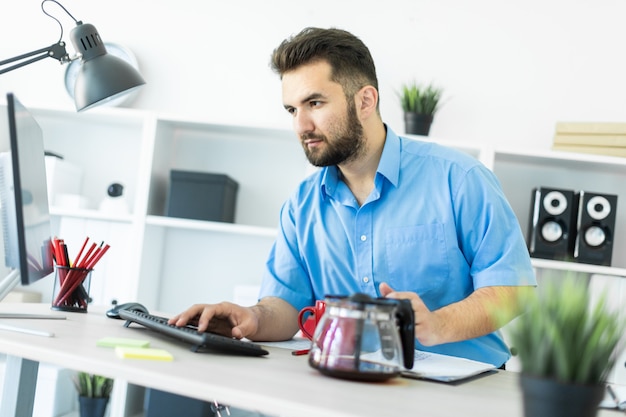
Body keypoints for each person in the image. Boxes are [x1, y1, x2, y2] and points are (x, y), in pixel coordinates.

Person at [170, 27, 536, 368]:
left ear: (365, 100)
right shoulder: (303, 204)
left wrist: (437, 324)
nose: (301, 126)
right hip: (349, 383)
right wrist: (250, 318)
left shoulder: (460, 179)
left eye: (314, 103)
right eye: (292, 109)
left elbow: (512, 290)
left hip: (461, 388)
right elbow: (285, 305)